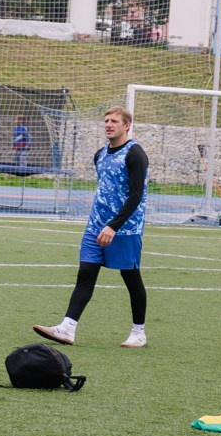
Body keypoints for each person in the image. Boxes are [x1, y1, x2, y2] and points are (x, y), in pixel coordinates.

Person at [35, 107, 149, 350]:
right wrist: (102, 224)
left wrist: (114, 226)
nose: (109, 124)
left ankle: (138, 332)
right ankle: (67, 328)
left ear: (126, 125)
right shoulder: (100, 154)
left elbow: (136, 195)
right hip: (95, 226)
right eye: (106, 120)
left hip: (124, 229)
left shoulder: (135, 154)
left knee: (131, 278)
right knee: (85, 274)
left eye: (114, 121)